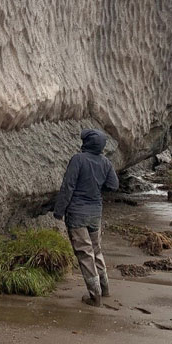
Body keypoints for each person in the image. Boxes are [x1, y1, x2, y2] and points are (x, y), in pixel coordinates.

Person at [53, 128, 118, 307]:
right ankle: (104, 289)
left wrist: (59, 211)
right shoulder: (105, 162)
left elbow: (68, 186)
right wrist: (96, 190)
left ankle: (94, 296)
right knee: (96, 250)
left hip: (77, 213)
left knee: (84, 252)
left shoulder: (78, 159)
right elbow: (114, 185)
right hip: (95, 212)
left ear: (86, 143)